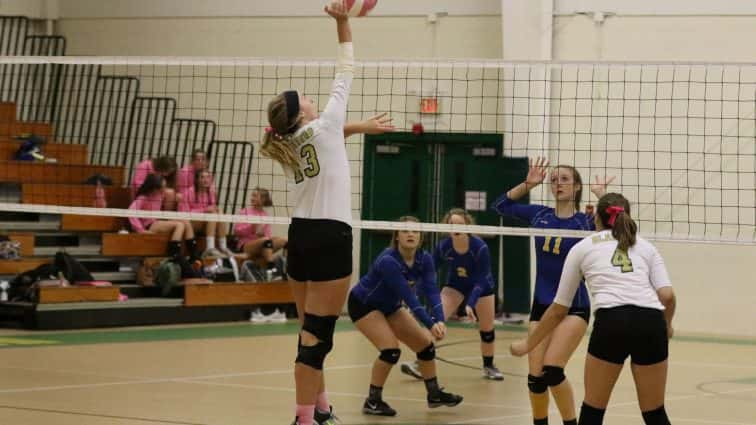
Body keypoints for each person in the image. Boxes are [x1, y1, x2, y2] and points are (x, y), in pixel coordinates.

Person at [259, 4, 363, 424]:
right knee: (317, 338)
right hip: (329, 238)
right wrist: (342, 21)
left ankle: (320, 410)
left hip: (300, 237)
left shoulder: (288, 143)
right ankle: (304, 418)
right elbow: (346, 67)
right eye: (301, 96)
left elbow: (334, 136)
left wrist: (360, 128)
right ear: (301, 112)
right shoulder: (324, 126)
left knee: (309, 333)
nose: (308, 94)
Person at [510, 193, 676, 425]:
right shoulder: (646, 246)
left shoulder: (582, 247)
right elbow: (667, 296)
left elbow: (558, 309)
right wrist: (666, 325)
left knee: (593, 412)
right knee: (655, 413)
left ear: (595, 219)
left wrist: (528, 344)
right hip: (650, 322)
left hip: (612, 321)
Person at [492, 157, 613, 425]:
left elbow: (618, 223)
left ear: (577, 187)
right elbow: (499, 205)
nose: (558, 183)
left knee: (552, 370)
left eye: (565, 179)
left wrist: (603, 196)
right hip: (543, 303)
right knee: (535, 378)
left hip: (574, 305)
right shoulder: (539, 215)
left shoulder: (586, 221)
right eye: (553, 180)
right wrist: (527, 184)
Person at [350, 216, 463, 417]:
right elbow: (409, 297)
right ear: (396, 237)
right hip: (364, 304)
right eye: (405, 231)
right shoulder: (388, 261)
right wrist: (430, 323)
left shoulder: (424, 259)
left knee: (426, 347)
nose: (410, 234)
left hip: (389, 306)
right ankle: (373, 401)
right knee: (391, 350)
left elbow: (432, 291)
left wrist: (440, 320)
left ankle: (434, 394)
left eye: (415, 231)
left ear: (421, 237)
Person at [401, 208, 505, 381]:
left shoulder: (480, 248)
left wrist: (470, 303)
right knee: (436, 322)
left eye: (460, 224)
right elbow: (429, 272)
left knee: (487, 331)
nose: (455, 228)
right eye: (451, 225)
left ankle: (489, 366)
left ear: (468, 226)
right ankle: (421, 364)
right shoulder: (444, 246)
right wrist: (414, 295)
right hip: (455, 286)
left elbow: (481, 280)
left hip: (481, 289)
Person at [128, 174, 199, 262]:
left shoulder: (160, 195)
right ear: (155, 188)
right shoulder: (143, 198)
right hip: (149, 225)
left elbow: (180, 208)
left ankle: (194, 256)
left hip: (157, 221)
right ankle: (174, 255)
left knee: (186, 222)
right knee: (179, 225)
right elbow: (131, 212)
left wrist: (180, 201)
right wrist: (140, 230)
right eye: (163, 187)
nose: (165, 189)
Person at [179, 169, 232, 258]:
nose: (205, 180)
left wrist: (214, 210)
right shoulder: (188, 192)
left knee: (219, 212)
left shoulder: (211, 193)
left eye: (208, 177)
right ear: (197, 180)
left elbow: (212, 210)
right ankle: (210, 248)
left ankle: (223, 247)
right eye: (202, 177)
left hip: (206, 224)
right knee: (212, 214)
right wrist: (204, 210)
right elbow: (184, 214)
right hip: (191, 224)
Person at [234, 187, 287, 264]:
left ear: (263, 199)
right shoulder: (245, 211)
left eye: (255, 196)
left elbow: (268, 236)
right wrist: (251, 227)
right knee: (265, 240)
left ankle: (286, 266)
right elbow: (236, 231)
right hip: (246, 244)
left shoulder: (265, 215)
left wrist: (262, 234)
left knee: (284, 240)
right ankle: (271, 266)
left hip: (262, 243)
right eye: (252, 195)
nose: (252, 198)